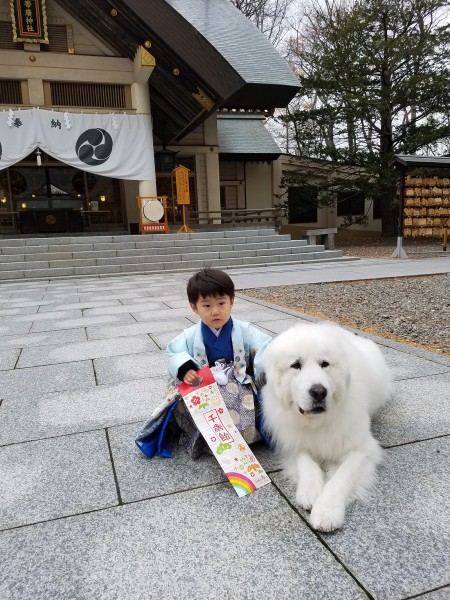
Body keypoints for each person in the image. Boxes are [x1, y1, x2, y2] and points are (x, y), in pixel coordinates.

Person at [135, 268, 272, 459]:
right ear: (194, 307)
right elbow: (175, 353)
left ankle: (242, 437)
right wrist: (185, 369)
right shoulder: (189, 336)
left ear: (232, 301)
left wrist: (266, 368)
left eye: (221, 303)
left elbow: (265, 347)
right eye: (206, 306)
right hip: (201, 381)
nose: (215, 311)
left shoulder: (245, 331)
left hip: (236, 380)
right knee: (185, 403)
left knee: (241, 400)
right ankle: (203, 439)